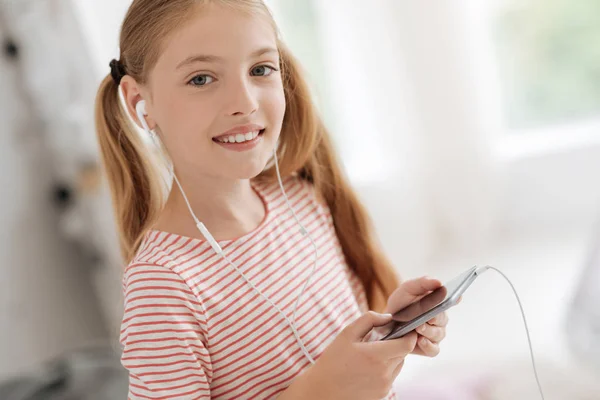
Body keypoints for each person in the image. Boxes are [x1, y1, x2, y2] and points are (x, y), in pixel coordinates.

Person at [95, 1, 450, 398]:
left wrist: (388, 332)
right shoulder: (163, 286)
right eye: (201, 79)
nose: (244, 103)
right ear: (139, 102)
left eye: (260, 69)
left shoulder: (301, 203)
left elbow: (340, 363)